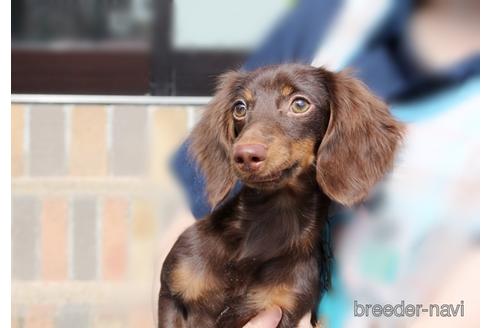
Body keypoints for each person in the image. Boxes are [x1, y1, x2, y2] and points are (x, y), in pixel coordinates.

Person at [171, 0, 480, 326]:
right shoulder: (326, 20)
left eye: (298, 104)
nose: (248, 146)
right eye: (241, 111)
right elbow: (188, 224)